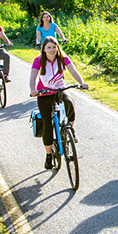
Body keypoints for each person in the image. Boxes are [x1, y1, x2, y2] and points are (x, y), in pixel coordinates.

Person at [29, 37, 89, 169]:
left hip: (60, 90)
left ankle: (70, 129)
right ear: (44, 49)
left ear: (57, 47)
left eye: (54, 47)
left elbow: (73, 71)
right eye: (49, 47)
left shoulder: (63, 58)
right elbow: (33, 76)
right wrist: (33, 89)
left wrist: (82, 82)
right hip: (44, 93)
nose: (52, 50)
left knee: (69, 104)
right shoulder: (38, 60)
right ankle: (49, 155)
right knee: (47, 125)